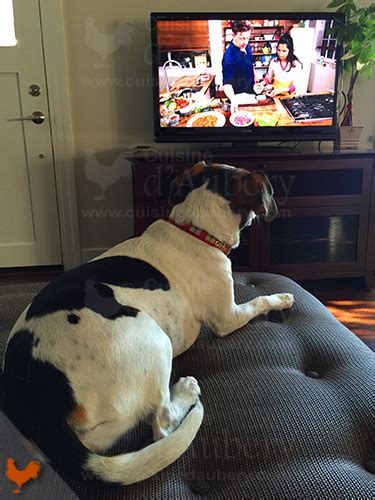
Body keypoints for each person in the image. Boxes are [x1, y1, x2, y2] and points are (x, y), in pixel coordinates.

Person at [222, 20, 255, 113]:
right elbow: (227, 84)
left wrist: (256, 77)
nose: (245, 41)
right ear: (233, 35)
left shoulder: (246, 45)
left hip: (251, 93)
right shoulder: (229, 57)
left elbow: (250, 63)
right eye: (242, 38)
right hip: (239, 98)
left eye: (247, 37)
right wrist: (233, 100)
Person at [256, 33, 303, 98]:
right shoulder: (274, 62)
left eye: (284, 51)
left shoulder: (296, 64)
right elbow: (269, 78)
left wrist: (280, 90)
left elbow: (295, 85)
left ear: (290, 50)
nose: (280, 54)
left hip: (289, 96)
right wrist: (261, 84)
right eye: (279, 50)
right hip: (275, 95)